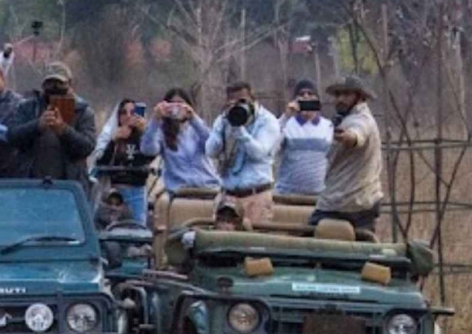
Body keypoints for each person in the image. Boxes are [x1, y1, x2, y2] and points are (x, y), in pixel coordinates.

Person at [311, 75, 384, 234]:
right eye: (337, 95)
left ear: (359, 97)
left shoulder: (360, 119)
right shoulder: (345, 119)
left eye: (346, 95)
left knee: (306, 247)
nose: (340, 99)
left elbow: (357, 133)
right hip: (354, 198)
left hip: (346, 202)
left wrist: (349, 137)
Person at [5, 62, 97, 185]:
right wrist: (37, 126)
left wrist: (63, 130)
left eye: (60, 83)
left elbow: (87, 147)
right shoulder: (28, 107)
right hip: (32, 184)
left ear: (70, 84)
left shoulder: (82, 111)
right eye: (50, 83)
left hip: (68, 185)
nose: (55, 88)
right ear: (43, 85)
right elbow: (12, 136)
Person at [205, 80, 281, 225]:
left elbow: (259, 152)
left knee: (255, 244)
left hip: (256, 195)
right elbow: (210, 151)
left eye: (243, 101)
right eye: (233, 102)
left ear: (253, 100)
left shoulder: (267, 121)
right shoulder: (224, 120)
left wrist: (240, 132)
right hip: (227, 196)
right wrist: (225, 126)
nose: (239, 106)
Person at [140, 88, 219, 195]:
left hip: (209, 187)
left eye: (180, 104)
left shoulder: (197, 129)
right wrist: (155, 120)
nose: (176, 109)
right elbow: (148, 150)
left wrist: (193, 118)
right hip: (180, 191)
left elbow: (214, 146)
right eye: (171, 105)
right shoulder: (161, 133)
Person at [93, 99, 154, 226]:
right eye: (123, 113)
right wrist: (114, 140)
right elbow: (100, 161)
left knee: (137, 230)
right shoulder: (112, 134)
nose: (128, 116)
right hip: (114, 193)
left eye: (132, 112)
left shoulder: (143, 137)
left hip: (137, 191)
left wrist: (145, 133)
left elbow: (150, 156)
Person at [275, 78, 333, 197]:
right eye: (301, 94)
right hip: (287, 195)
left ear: (317, 100)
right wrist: (285, 117)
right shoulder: (286, 124)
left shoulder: (328, 126)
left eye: (310, 94)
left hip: (320, 196)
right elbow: (270, 147)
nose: (306, 97)